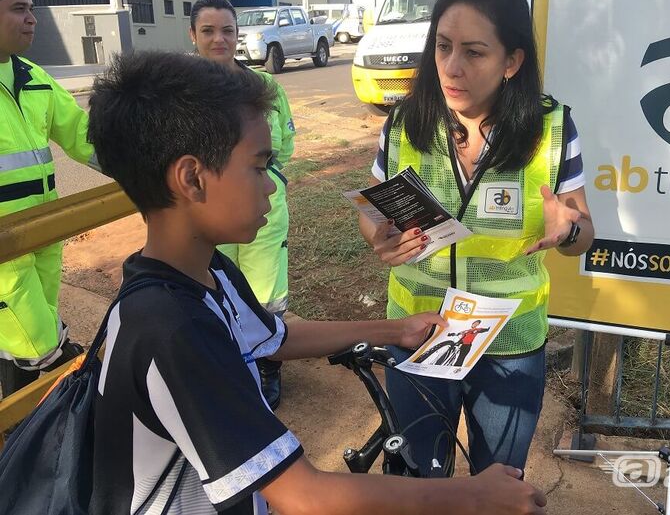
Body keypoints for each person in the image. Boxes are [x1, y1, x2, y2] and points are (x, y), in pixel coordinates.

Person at [86, 50, 547, 515]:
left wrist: (393, 331)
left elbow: (275, 337)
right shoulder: (172, 330)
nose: (272, 185)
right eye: (258, 165)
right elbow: (305, 496)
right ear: (192, 178)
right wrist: (474, 494)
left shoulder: (203, 271)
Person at [358, 0, 595, 475]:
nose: (452, 67)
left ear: (511, 61)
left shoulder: (551, 127)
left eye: (474, 52)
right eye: (443, 46)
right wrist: (381, 236)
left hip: (509, 342)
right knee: (416, 485)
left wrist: (567, 229)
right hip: (417, 335)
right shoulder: (403, 124)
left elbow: (582, 233)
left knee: (498, 485)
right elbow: (373, 209)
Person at [189, 0, 293, 409]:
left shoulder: (263, 87)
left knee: (265, 288)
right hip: (206, 210)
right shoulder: (181, 94)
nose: (220, 40)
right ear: (193, 35)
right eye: (209, 31)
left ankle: (268, 367)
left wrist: (265, 177)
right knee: (211, 285)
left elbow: (283, 143)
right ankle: (226, 366)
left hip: (264, 208)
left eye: (227, 31)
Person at [0, 0, 91, 397]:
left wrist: (146, 170)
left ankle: (14, 433)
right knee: (49, 351)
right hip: (4, 256)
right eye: (19, 9)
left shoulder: (33, 77)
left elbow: (83, 137)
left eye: (31, 8)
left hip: (44, 238)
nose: (32, 19)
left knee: (17, 354)